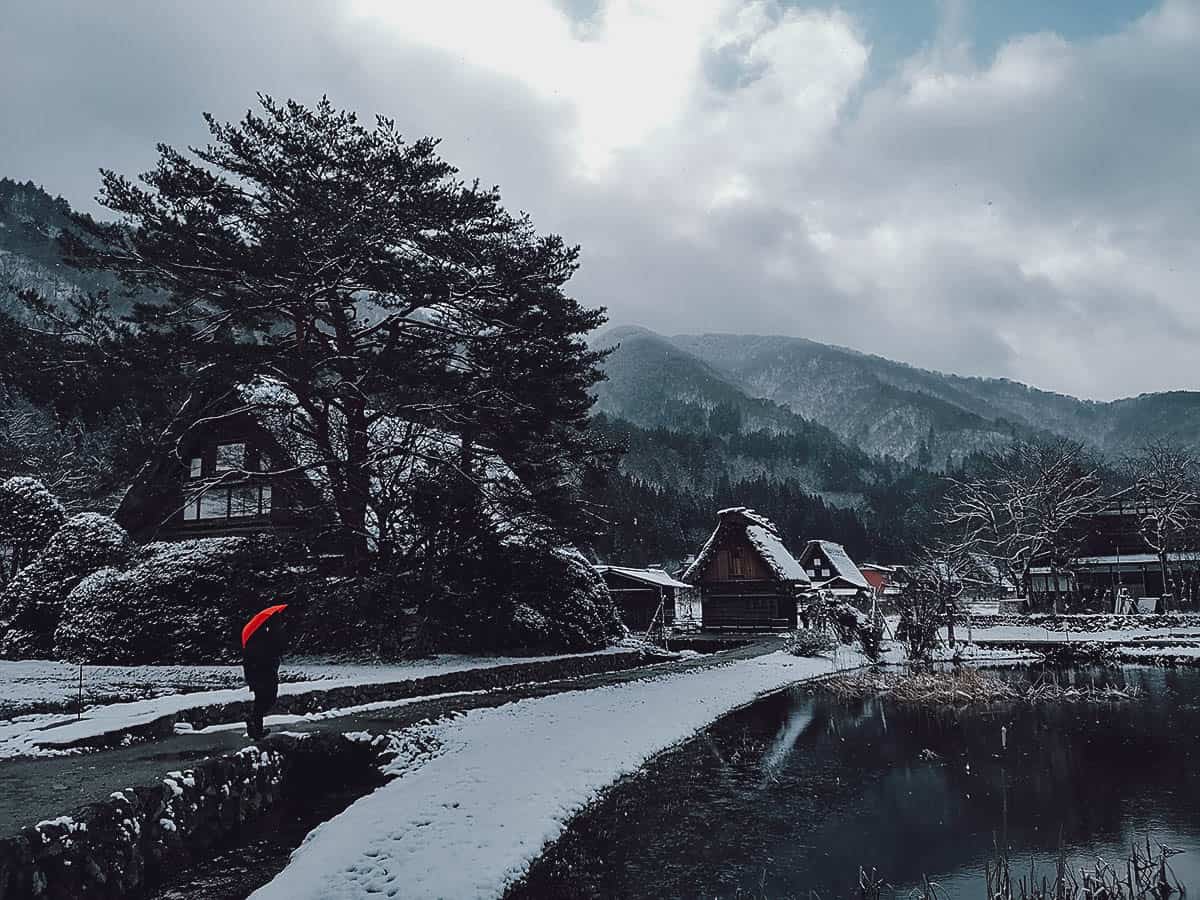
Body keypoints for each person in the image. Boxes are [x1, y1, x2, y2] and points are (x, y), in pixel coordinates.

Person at [242, 606, 287, 740]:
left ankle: (256, 729)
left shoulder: (255, 637)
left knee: (261, 701)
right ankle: (254, 723)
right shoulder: (266, 637)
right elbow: (273, 652)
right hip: (264, 674)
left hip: (257, 675)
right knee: (268, 700)